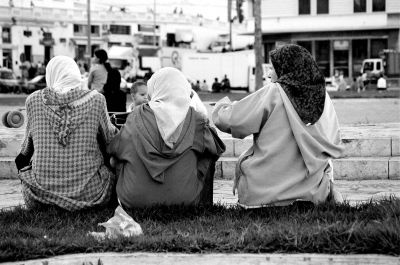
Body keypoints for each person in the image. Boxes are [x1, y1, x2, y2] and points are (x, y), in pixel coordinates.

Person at [212, 44, 344, 208]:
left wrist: (221, 107)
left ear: (286, 69)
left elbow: (230, 121)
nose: (268, 73)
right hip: (313, 193)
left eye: (273, 68)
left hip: (264, 195)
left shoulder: (274, 92)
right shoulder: (324, 99)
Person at [107, 67, 225, 208]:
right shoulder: (196, 119)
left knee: (117, 159)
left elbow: (114, 150)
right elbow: (216, 148)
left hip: (134, 201)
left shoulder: (136, 116)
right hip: (185, 200)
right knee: (207, 153)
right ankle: (203, 203)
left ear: (153, 89)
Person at [15, 56, 118, 211]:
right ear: (75, 73)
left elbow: (24, 153)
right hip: (92, 195)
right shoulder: (96, 99)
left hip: (40, 198)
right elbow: (111, 142)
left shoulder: (33, 100)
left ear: (51, 74)